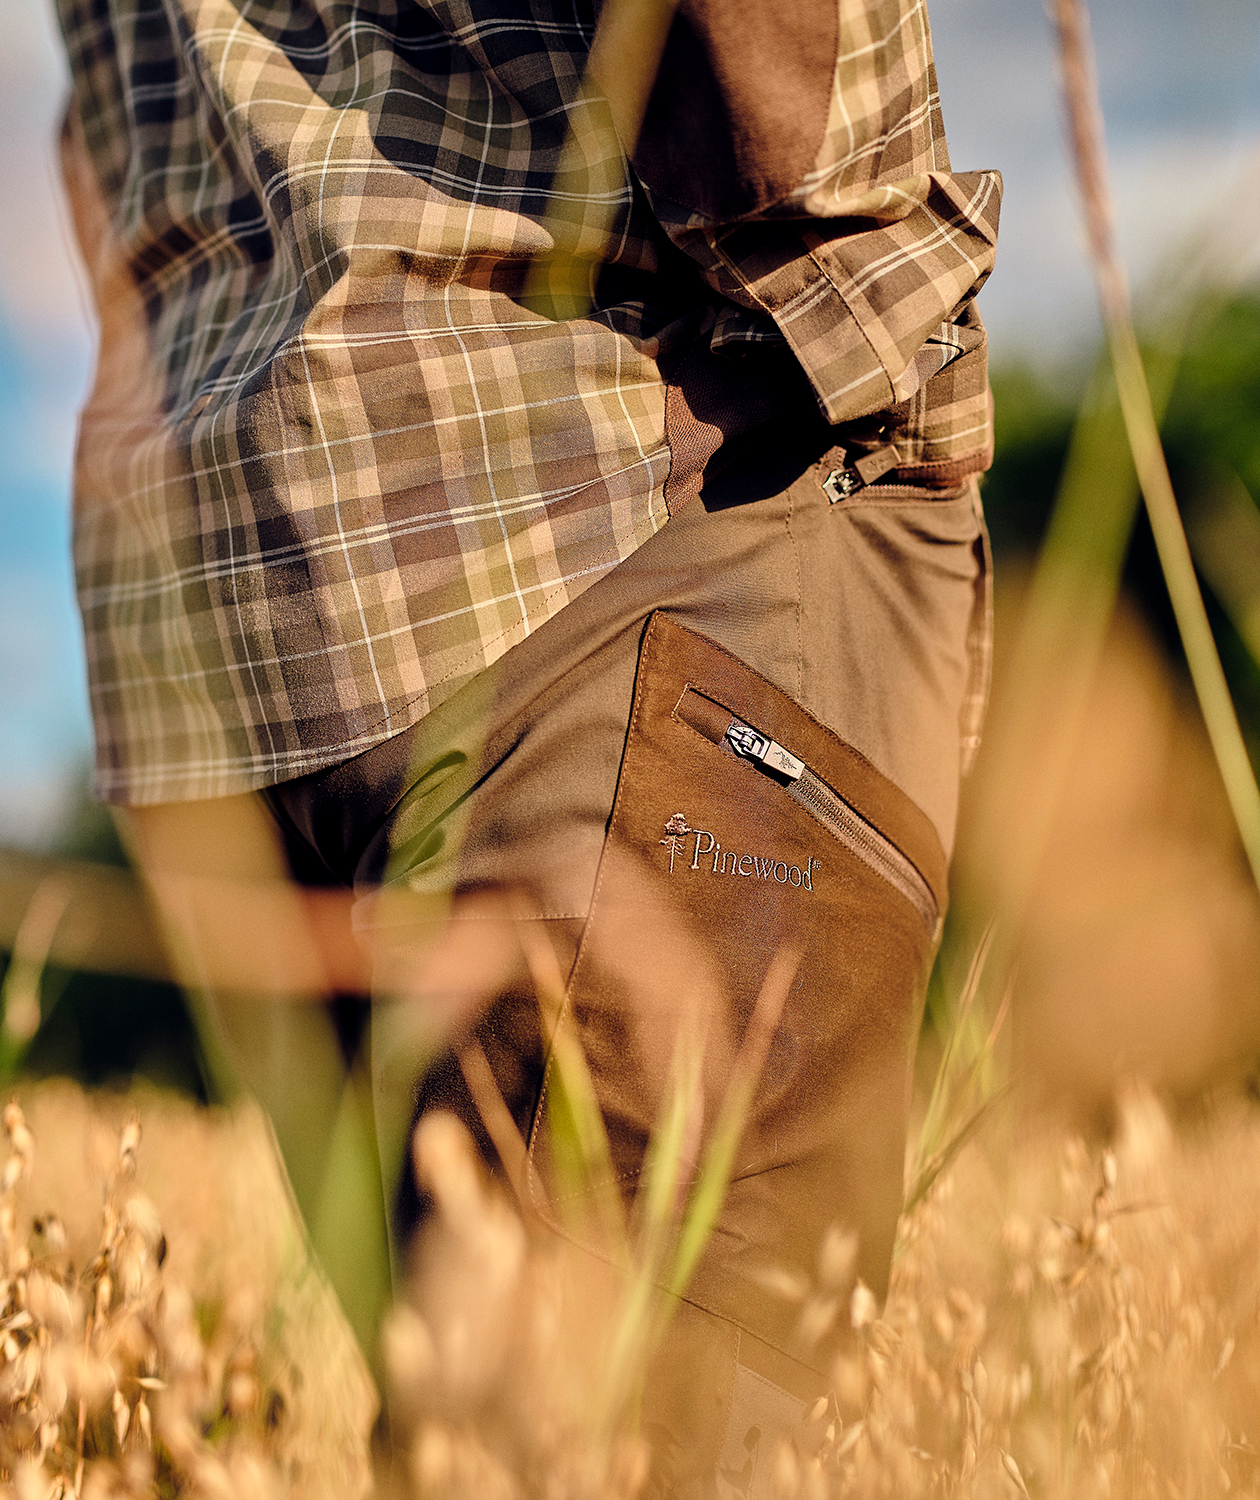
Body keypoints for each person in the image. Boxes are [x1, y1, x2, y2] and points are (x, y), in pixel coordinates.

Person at [56, 0, 999, 1488]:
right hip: (620, 507)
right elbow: (784, 118)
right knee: (643, 1442)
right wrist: (880, 313)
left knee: (501, 1436)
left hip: (241, 606)